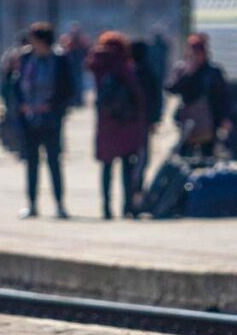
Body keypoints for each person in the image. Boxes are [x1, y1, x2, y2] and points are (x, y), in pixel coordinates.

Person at [14, 22, 73, 219]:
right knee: (31, 162)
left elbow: (68, 88)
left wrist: (56, 107)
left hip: (50, 117)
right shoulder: (25, 58)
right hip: (29, 118)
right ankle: (32, 203)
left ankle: (59, 203)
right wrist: (20, 104)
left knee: (53, 161)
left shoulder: (59, 60)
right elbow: (16, 83)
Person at [87, 32, 146, 219]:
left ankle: (106, 208)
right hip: (125, 122)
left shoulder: (97, 64)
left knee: (106, 168)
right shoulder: (122, 63)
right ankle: (127, 206)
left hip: (105, 122)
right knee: (127, 167)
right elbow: (135, 91)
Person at [166, 34, 231, 157]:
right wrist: (188, 73)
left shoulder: (213, 72)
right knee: (184, 156)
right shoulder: (181, 69)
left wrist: (225, 118)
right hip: (187, 121)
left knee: (207, 156)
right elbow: (171, 89)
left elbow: (224, 96)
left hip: (209, 121)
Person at [131, 39, 163, 197]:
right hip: (144, 123)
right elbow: (156, 98)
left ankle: (130, 192)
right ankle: (137, 189)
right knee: (143, 158)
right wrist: (155, 120)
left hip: (130, 123)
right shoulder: (149, 73)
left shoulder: (128, 72)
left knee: (131, 159)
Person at [61, 22, 91, 107]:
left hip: (79, 65)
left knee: (80, 83)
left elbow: (87, 51)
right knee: (74, 83)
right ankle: (74, 100)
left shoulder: (82, 40)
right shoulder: (68, 40)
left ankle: (79, 100)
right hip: (71, 65)